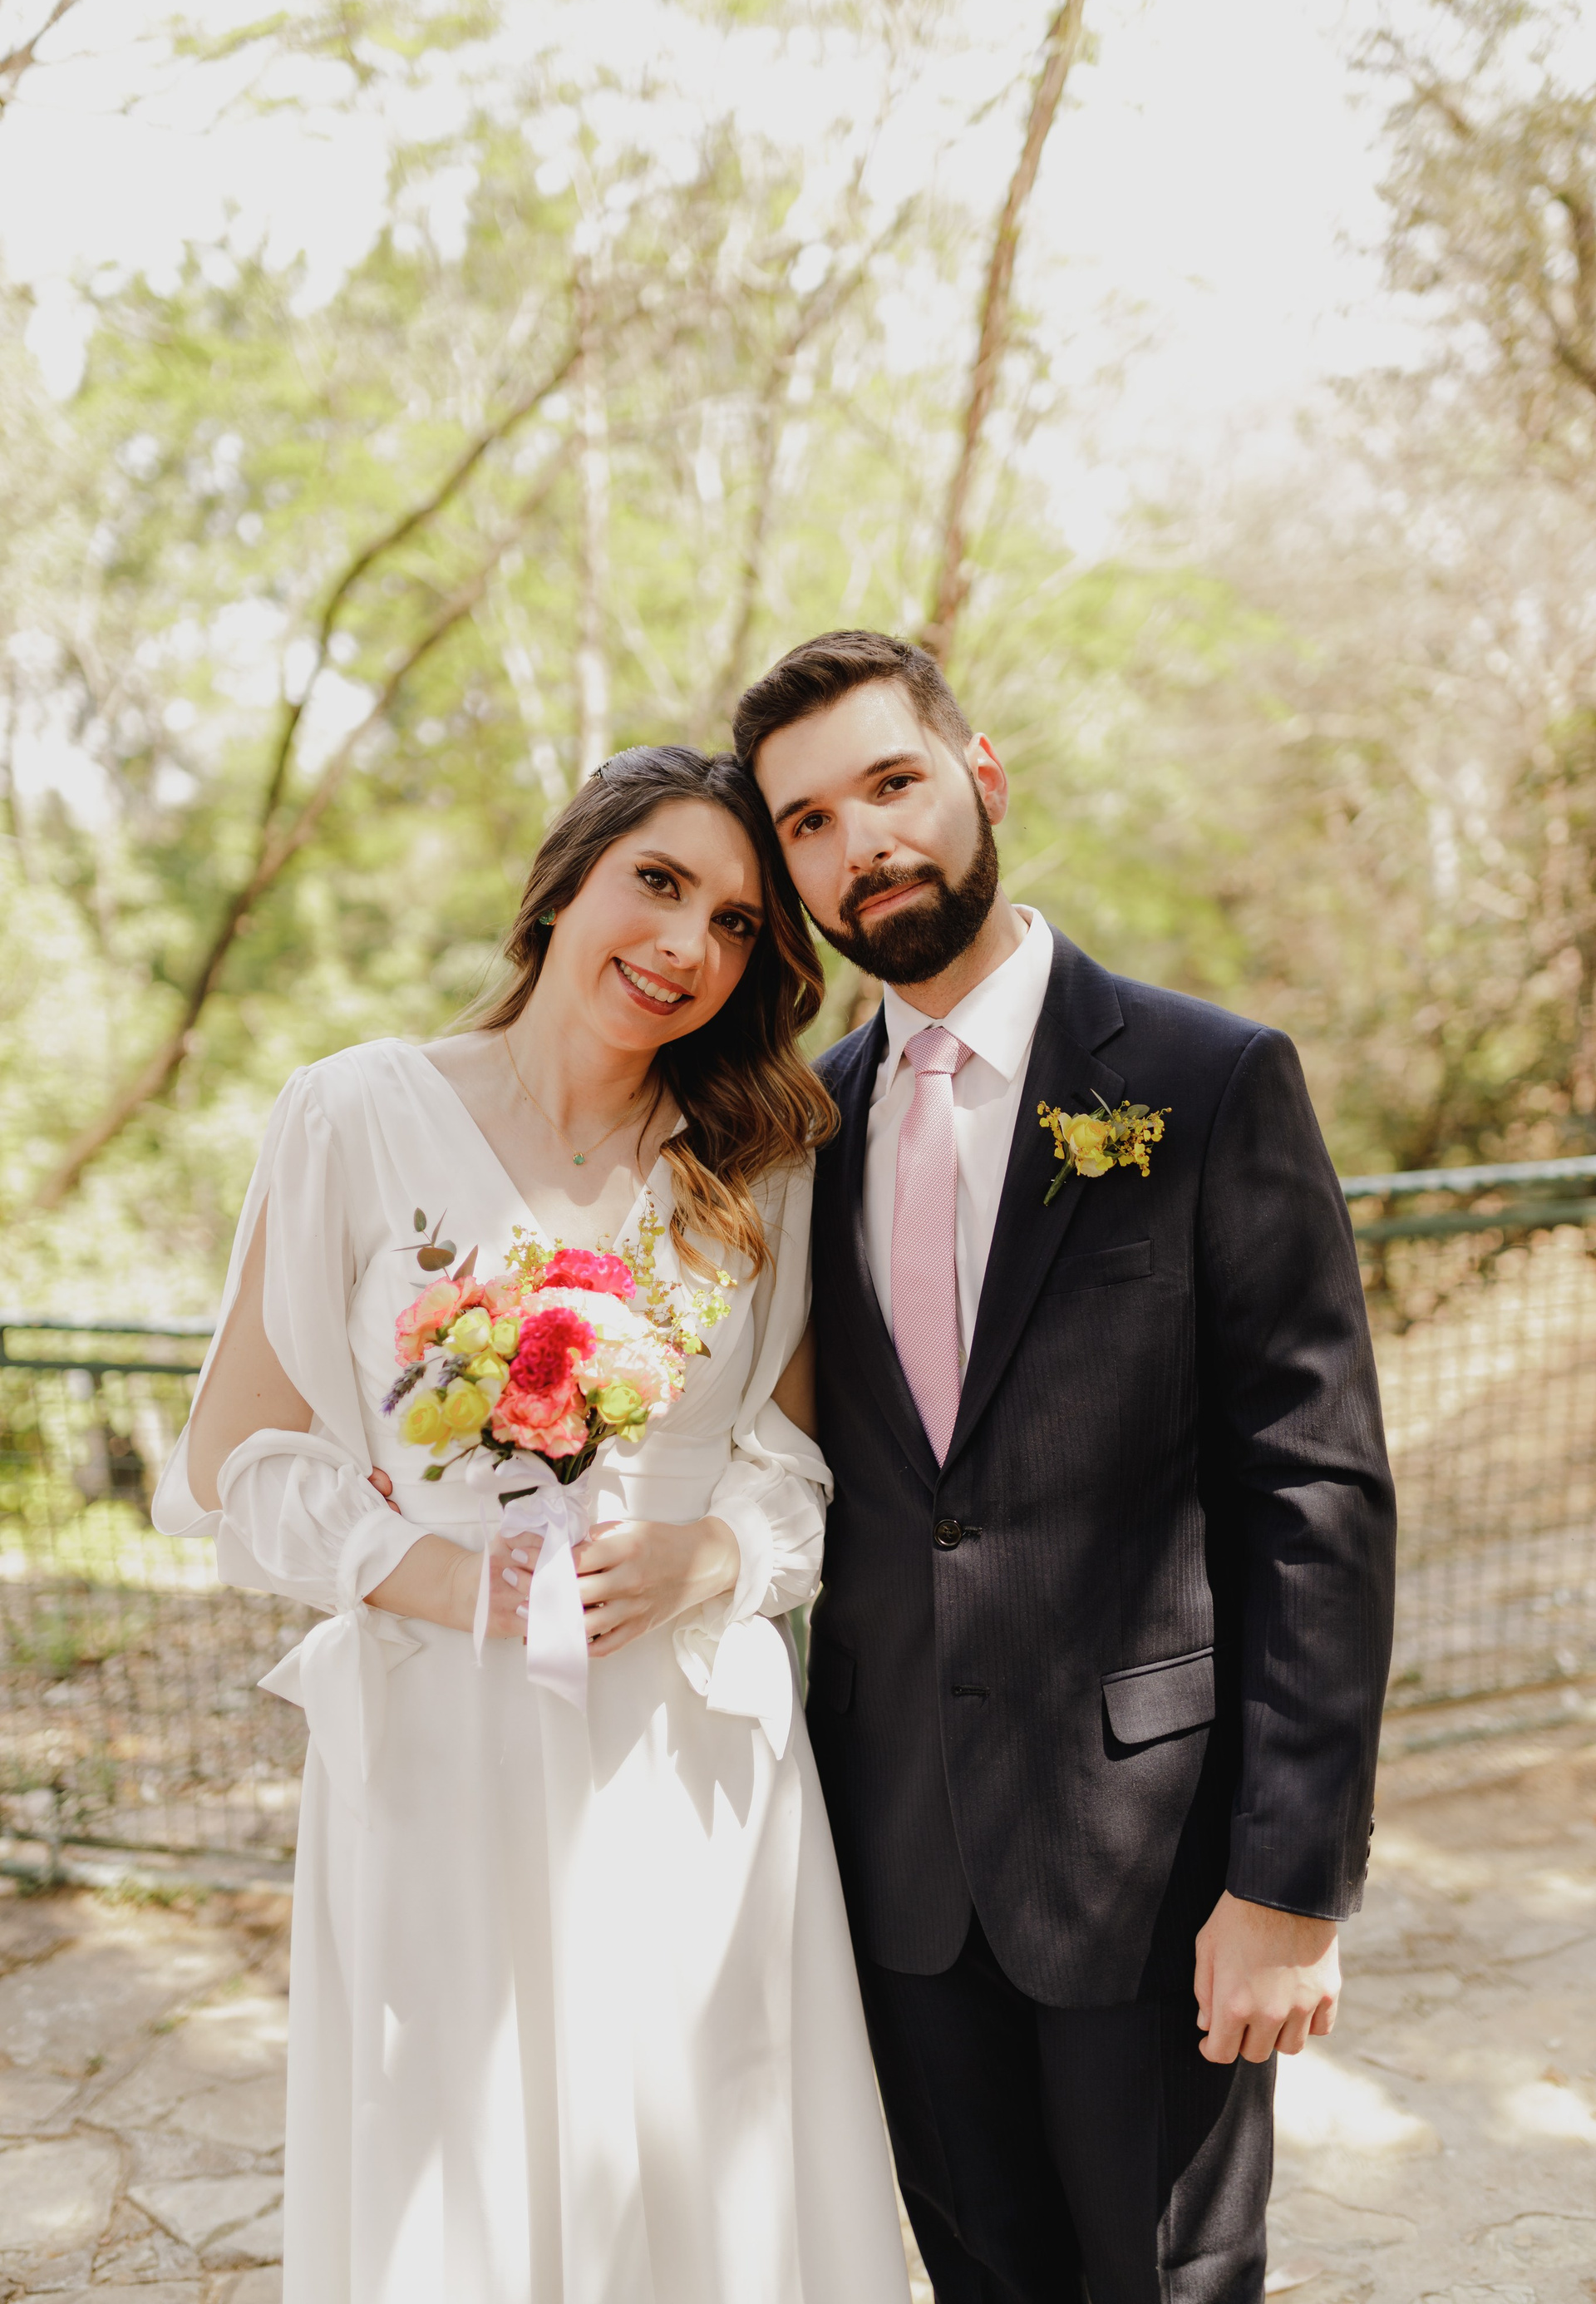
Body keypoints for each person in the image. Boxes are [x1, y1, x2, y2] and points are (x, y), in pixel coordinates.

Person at [152, 744, 912, 2304]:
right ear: (564, 881)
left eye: (738, 923)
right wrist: (436, 1577)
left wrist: (716, 1556)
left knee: (705, 2138)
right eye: (658, 883)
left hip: (687, 1735)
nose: (687, 945)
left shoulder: (761, 1161)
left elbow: (801, 1468)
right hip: (444, 1731)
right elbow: (237, 1461)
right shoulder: (355, 1113)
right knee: (458, 2146)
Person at [734, 633, 1397, 2304]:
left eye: (893, 783)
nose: (863, 842)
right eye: (809, 822)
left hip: (1151, 1866)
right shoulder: (797, 1134)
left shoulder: (1205, 1080)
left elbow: (1315, 1493)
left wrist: (1289, 1886)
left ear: (983, 777)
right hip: (895, 1863)